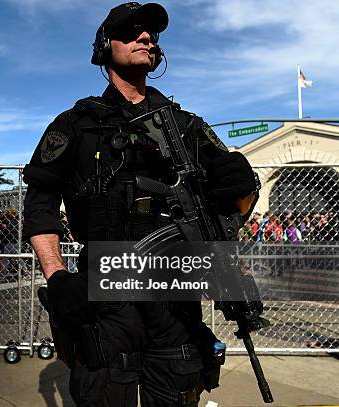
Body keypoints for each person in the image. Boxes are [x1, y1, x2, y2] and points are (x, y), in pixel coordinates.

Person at [23, 3, 259, 406]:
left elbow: (237, 205)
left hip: (177, 293)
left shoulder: (188, 127)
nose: (146, 37)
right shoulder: (76, 125)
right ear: (104, 45)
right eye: (132, 31)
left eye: (151, 33)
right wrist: (57, 276)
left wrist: (242, 192)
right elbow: (40, 202)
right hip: (106, 295)